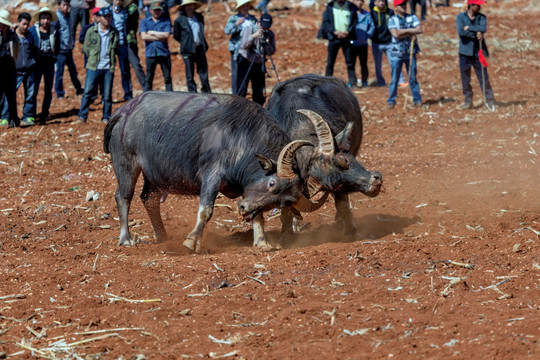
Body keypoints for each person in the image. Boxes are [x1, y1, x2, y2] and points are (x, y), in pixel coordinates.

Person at [77, 7, 119, 124]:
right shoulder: (91, 31)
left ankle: (106, 116)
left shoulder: (114, 33)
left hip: (108, 68)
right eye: (105, 17)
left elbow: (115, 49)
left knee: (107, 95)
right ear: (99, 18)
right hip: (94, 66)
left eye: (109, 16)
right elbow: (86, 47)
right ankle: (82, 116)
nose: (107, 19)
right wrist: (93, 57)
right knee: (87, 92)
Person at [456, 0, 495, 109]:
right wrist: (476, 33)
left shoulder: (482, 17)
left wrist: (469, 28)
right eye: (477, 5)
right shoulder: (460, 17)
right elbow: (461, 32)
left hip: (478, 52)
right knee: (465, 79)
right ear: (471, 5)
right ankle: (468, 100)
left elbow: (483, 29)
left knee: (484, 78)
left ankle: (489, 100)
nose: (479, 7)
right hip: (464, 53)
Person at [1, 12, 37, 127]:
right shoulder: (7, 35)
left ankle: (20, 117)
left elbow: (15, 53)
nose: (25, 27)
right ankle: (4, 117)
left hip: (17, 69)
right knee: (5, 96)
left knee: (18, 95)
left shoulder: (16, 37)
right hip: (7, 70)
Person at [386, 0, 422, 108]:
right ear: (396, 8)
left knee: (413, 78)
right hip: (397, 53)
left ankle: (417, 100)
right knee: (394, 79)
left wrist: (403, 31)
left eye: (404, 4)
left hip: (410, 52)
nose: (404, 6)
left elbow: (419, 29)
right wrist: (411, 31)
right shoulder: (392, 19)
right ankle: (391, 100)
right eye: (401, 5)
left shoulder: (413, 17)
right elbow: (396, 34)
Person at [29, 7, 60, 123]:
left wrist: (54, 57)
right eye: (43, 18)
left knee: (48, 90)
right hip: (37, 64)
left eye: (48, 18)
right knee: (34, 89)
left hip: (49, 64)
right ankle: (31, 114)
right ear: (39, 20)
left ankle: (44, 113)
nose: (46, 21)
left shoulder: (54, 31)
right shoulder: (33, 31)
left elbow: (57, 46)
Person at [317, 0, 358, 88]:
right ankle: (326, 82)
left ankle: (353, 82)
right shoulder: (330, 7)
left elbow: (354, 21)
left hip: (347, 38)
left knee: (350, 61)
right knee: (331, 61)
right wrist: (335, 32)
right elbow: (326, 22)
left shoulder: (351, 7)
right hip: (334, 38)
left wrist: (348, 31)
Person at [236, 13, 275, 105]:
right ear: (258, 23)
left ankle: (258, 109)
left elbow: (272, 51)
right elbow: (243, 45)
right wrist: (253, 36)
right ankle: (238, 109)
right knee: (242, 89)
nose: (265, 29)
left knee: (258, 91)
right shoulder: (250, 29)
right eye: (263, 27)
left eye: (267, 27)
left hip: (259, 63)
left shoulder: (270, 34)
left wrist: (267, 44)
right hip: (246, 60)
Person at [173, 0, 211, 93]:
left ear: (194, 6)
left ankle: (206, 92)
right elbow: (176, 35)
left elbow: (201, 31)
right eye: (187, 5)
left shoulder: (199, 17)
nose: (190, 7)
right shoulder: (179, 20)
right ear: (184, 7)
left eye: (191, 4)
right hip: (187, 49)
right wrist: (186, 42)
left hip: (200, 48)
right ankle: (192, 93)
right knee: (190, 74)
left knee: (203, 72)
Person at [224, 0, 257, 95]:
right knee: (237, 76)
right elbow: (227, 31)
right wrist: (236, 24)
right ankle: (237, 97)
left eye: (247, 6)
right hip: (237, 52)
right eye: (244, 6)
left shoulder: (252, 19)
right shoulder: (234, 18)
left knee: (247, 75)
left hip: (250, 52)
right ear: (239, 7)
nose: (246, 8)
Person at [53, 0, 84, 99]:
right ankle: (59, 93)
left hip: (68, 49)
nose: (66, 7)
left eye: (67, 5)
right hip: (60, 50)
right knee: (60, 73)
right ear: (59, 6)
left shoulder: (69, 17)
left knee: (73, 71)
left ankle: (78, 88)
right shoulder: (56, 18)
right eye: (64, 5)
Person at [370, 0, 404, 87]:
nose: (381, 3)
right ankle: (381, 82)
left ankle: (400, 80)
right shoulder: (372, 13)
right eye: (379, 1)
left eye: (383, 1)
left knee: (394, 61)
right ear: (375, 2)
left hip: (389, 42)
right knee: (378, 65)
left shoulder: (390, 12)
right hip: (376, 43)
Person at [140, 1, 173, 91]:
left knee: (167, 78)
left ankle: (170, 97)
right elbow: (144, 36)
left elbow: (166, 35)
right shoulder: (145, 22)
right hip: (150, 53)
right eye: (155, 10)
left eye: (158, 10)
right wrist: (159, 37)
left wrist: (152, 33)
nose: (156, 12)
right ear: (150, 10)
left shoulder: (165, 21)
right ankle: (146, 98)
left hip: (163, 52)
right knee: (149, 78)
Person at [108, 0, 133, 100]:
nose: (118, 2)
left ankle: (128, 93)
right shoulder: (107, 11)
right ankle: (106, 94)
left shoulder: (125, 12)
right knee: (109, 70)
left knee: (125, 70)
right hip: (110, 45)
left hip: (122, 43)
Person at [0, 9, 20, 128]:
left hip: (10, 69)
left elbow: (16, 52)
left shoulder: (13, 36)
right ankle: (2, 117)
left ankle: (14, 119)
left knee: (11, 95)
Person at [351, 0, 374, 87]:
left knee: (363, 64)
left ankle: (364, 81)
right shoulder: (351, 13)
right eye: (357, 1)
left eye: (361, 1)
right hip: (352, 44)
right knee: (352, 64)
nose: (359, 3)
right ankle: (353, 82)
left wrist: (366, 35)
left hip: (363, 44)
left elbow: (372, 27)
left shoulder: (367, 15)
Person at [126, 0, 146, 91]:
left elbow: (125, 17)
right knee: (124, 69)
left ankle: (146, 88)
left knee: (135, 64)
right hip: (119, 40)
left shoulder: (132, 8)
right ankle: (128, 92)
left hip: (129, 40)